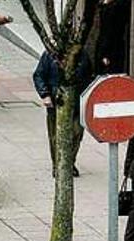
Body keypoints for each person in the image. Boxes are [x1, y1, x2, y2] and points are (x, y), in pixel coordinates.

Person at [33, 49, 92, 178]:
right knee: (56, 136)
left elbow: (88, 77)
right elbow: (39, 75)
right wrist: (45, 94)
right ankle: (58, 165)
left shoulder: (82, 55)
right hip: (56, 102)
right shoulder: (50, 54)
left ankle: (69, 162)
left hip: (77, 103)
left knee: (77, 134)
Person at [97, 0, 130, 75]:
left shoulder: (114, 8)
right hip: (111, 46)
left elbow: (108, 32)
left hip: (111, 48)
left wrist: (105, 54)